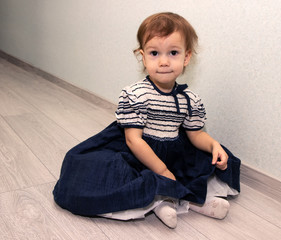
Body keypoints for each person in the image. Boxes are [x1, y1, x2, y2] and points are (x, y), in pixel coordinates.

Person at [53, 12, 240, 229]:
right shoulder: (136, 94)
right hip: (138, 151)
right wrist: (161, 170)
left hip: (173, 152)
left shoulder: (190, 99)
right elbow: (133, 140)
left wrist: (214, 145)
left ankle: (196, 200)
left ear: (186, 57)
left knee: (210, 160)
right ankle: (159, 201)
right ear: (143, 56)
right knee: (110, 171)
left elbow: (196, 134)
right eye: (154, 53)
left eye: (173, 53)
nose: (163, 61)